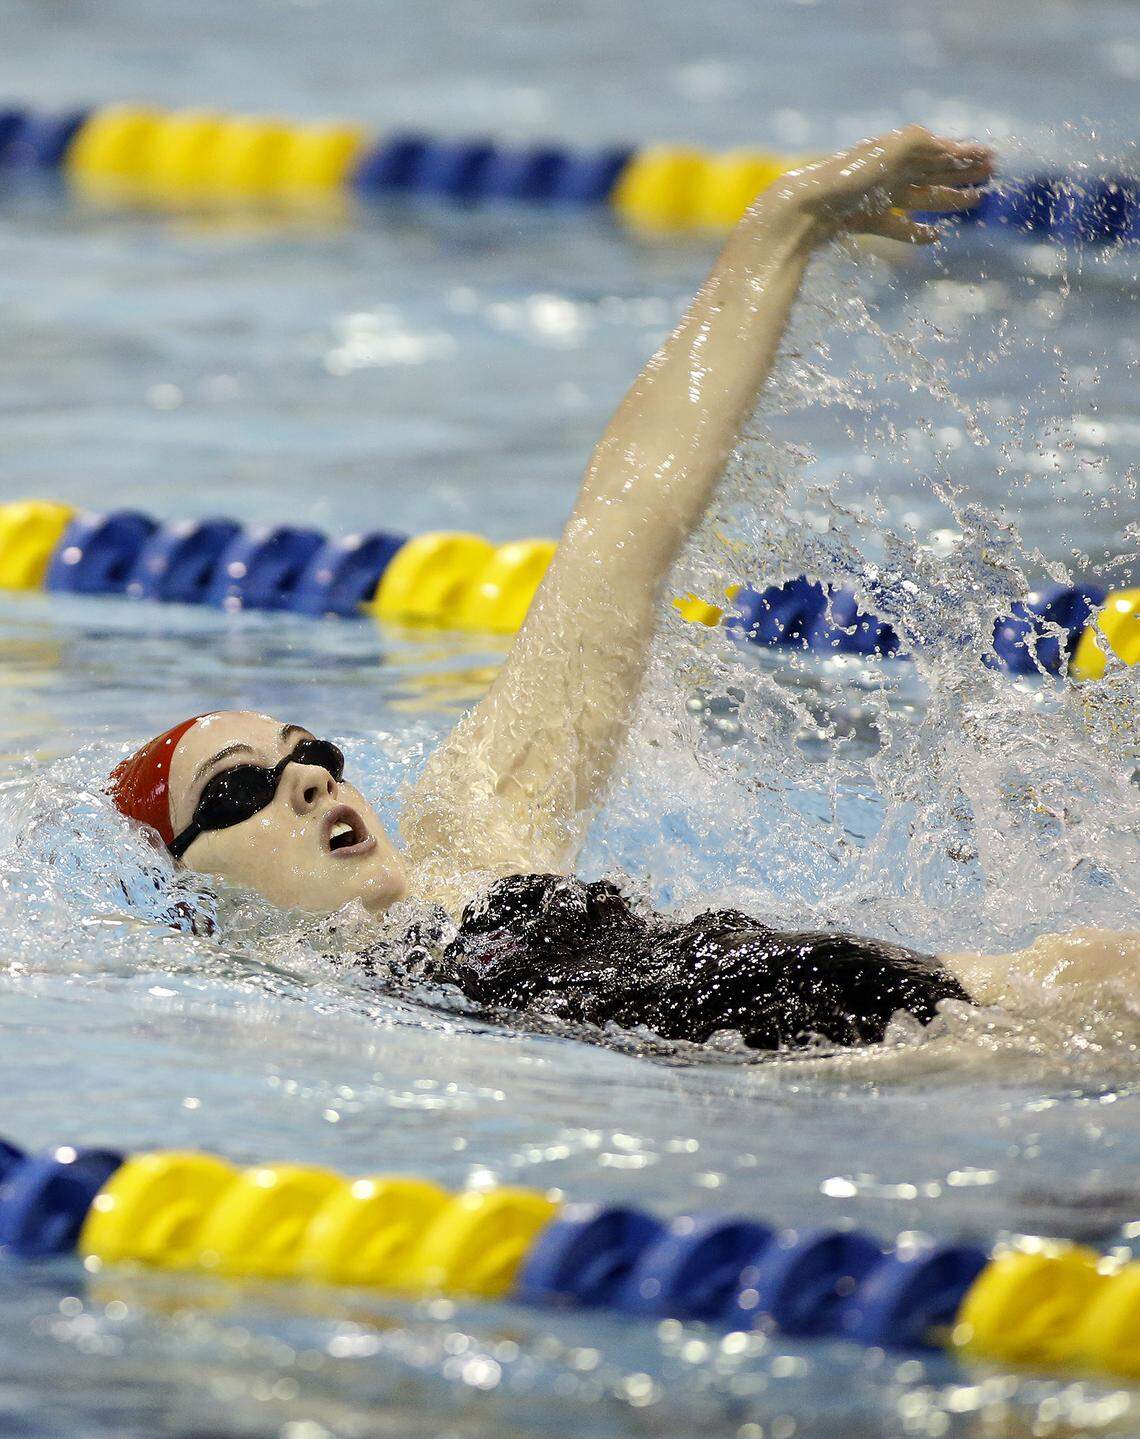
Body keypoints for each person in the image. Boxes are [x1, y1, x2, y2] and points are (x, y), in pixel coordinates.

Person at [106, 128, 1138, 1052]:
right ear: (194, 893)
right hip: (976, 1067)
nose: (314, 780)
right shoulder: (301, 1025)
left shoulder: (477, 829)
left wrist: (778, 230)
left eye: (312, 751)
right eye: (242, 788)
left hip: (1010, 1019)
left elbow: (624, 525)